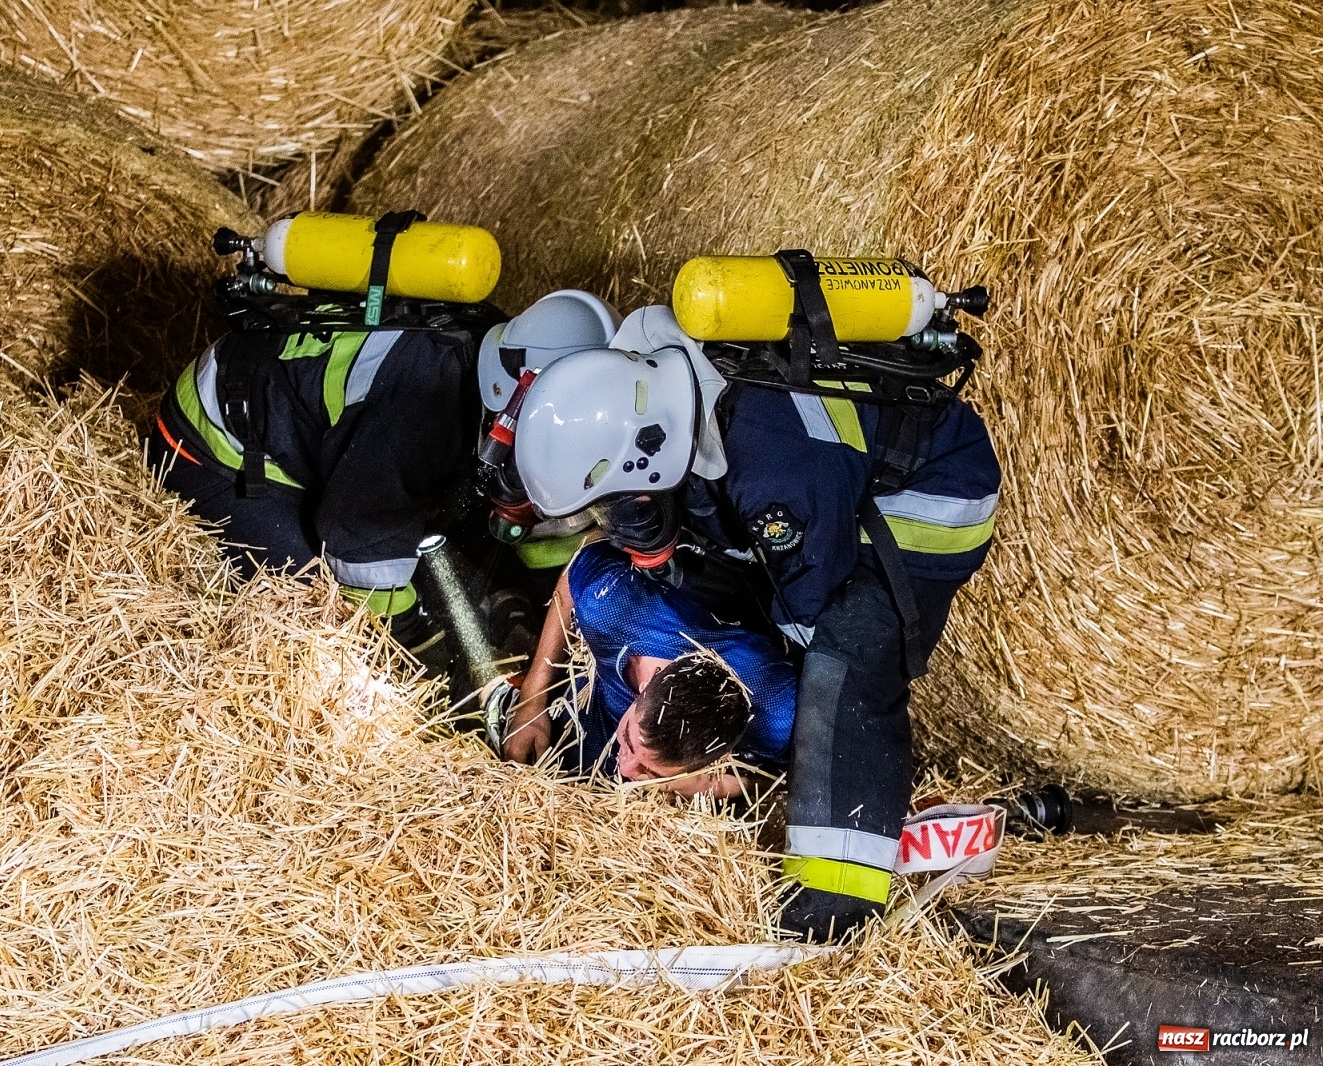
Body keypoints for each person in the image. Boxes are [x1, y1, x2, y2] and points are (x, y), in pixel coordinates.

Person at [509, 305, 1001, 941]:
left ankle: (837, 900)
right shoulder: (658, 390)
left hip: (928, 495)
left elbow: (807, 606)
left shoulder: (775, 478)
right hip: (827, 484)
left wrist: (760, 752)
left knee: (845, 661)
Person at [147, 285, 619, 674]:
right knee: (317, 619)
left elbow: (532, 501)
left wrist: (553, 609)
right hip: (219, 444)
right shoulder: (425, 403)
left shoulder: (505, 359)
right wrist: (438, 663)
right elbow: (357, 539)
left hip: (331, 432)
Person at [502, 539, 798, 799]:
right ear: (647, 685)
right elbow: (579, 566)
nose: (628, 769)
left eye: (651, 770)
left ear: (715, 756)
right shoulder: (610, 607)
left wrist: (712, 786)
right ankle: (512, 628)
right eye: (630, 740)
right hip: (589, 712)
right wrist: (532, 701)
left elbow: (783, 781)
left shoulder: (775, 712)